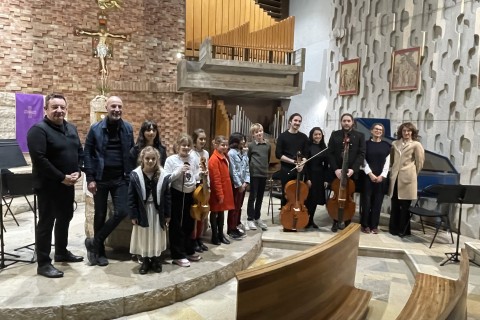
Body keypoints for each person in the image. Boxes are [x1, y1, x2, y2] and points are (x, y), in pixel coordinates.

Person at [27, 93, 84, 278]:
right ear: (46, 109)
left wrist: (79, 170)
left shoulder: (71, 128)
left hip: (68, 184)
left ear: (66, 109)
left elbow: (79, 152)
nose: (59, 111)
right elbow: (39, 159)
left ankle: (61, 252)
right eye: (54, 107)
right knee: (46, 223)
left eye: (62, 107)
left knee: (65, 218)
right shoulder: (38, 130)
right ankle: (43, 263)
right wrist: (61, 177)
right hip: (48, 186)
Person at [84, 95, 135, 267]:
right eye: (113, 106)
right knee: (99, 214)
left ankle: (94, 242)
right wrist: (90, 178)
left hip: (121, 178)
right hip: (100, 178)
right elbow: (88, 154)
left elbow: (131, 153)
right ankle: (100, 252)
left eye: (119, 106)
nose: (117, 110)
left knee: (122, 211)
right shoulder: (96, 128)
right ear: (107, 108)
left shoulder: (128, 128)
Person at [128, 146, 171, 274]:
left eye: (153, 158)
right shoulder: (136, 175)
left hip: (157, 211)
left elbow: (167, 197)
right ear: (142, 159)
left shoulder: (163, 175)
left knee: (156, 235)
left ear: (157, 159)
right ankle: (145, 260)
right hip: (143, 211)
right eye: (147, 158)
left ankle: (156, 260)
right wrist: (133, 214)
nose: (150, 161)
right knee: (144, 236)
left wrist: (168, 214)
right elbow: (131, 197)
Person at [164, 133, 203, 267]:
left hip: (191, 193)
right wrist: (179, 171)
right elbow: (167, 179)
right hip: (177, 194)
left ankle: (188, 249)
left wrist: (201, 175)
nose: (186, 148)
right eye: (183, 145)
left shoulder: (193, 159)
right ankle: (177, 254)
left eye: (188, 145)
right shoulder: (171, 160)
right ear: (177, 146)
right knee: (177, 225)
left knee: (189, 223)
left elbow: (194, 176)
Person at [327, 113, 366, 232]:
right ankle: (335, 220)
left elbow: (361, 154)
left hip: (351, 172)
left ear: (352, 122)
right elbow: (330, 153)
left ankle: (348, 220)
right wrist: (336, 169)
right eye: (344, 121)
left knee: (349, 196)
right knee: (337, 196)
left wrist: (353, 169)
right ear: (341, 122)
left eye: (348, 121)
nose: (346, 123)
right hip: (337, 172)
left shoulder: (360, 136)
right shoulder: (335, 135)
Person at [388, 122, 425, 236]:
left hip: (408, 179)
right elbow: (392, 160)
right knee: (394, 204)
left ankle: (403, 230)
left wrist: (412, 174)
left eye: (408, 131)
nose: (406, 133)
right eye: (404, 131)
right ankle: (393, 229)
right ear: (401, 132)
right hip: (395, 178)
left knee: (405, 206)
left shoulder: (416, 144)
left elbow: (420, 163)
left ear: (412, 132)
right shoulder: (395, 143)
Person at [361, 123, 390, 234]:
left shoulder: (387, 145)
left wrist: (382, 175)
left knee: (377, 202)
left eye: (380, 130)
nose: (378, 131)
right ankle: (365, 225)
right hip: (368, 177)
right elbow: (363, 160)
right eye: (376, 129)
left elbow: (388, 162)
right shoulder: (365, 144)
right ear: (371, 131)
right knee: (366, 202)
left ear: (382, 132)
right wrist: (370, 174)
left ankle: (374, 225)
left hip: (381, 178)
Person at [275, 113, 309, 207]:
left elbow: (306, 154)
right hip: (286, 169)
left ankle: (297, 214)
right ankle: (285, 216)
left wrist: (302, 164)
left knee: (298, 193)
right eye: (295, 120)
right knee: (286, 193)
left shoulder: (304, 137)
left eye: (299, 121)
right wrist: (294, 162)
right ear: (290, 121)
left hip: (300, 169)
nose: (297, 123)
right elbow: (278, 154)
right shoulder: (282, 136)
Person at [208, 135, 235, 245]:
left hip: (225, 189)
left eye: (226, 145)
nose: (225, 147)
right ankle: (214, 236)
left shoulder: (225, 156)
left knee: (222, 212)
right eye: (222, 145)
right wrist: (220, 194)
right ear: (216, 145)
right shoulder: (214, 159)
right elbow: (216, 179)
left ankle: (220, 234)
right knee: (214, 213)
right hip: (218, 191)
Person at [246, 123, 271, 231]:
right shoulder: (251, 146)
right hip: (254, 174)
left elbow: (268, 158)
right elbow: (248, 158)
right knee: (253, 196)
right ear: (253, 135)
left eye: (260, 131)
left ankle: (257, 217)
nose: (259, 133)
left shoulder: (268, 145)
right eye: (256, 132)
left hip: (263, 173)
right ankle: (250, 218)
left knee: (261, 197)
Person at [304, 127, 329, 229]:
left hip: (320, 176)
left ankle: (311, 220)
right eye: (315, 134)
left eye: (319, 134)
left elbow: (326, 165)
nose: (318, 136)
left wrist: (326, 179)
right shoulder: (308, 147)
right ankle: (305, 219)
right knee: (308, 199)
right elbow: (305, 164)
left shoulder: (324, 147)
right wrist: (307, 178)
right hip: (310, 174)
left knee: (315, 200)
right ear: (312, 136)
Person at [189, 128, 209, 253]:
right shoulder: (191, 154)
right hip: (195, 186)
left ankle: (199, 238)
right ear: (194, 141)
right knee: (195, 215)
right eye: (200, 139)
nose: (203, 141)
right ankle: (193, 239)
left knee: (203, 214)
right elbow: (192, 173)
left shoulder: (206, 153)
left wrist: (208, 183)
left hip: (204, 185)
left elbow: (208, 171)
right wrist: (199, 174)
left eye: (204, 139)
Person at [227, 132, 250, 240]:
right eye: (241, 140)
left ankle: (236, 225)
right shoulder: (231, 153)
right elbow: (233, 171)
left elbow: (246, 168)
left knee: (239, 207)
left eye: (243, 139)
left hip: (243, 184)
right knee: (234, 207)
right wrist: (239, 185)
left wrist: (246, 181)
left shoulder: (243, 152)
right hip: (236, 185)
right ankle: (231, 229)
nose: (244, 141)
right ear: (235, 141)